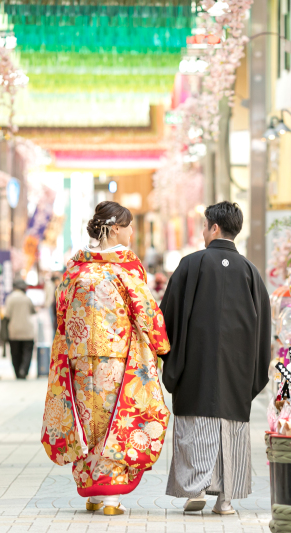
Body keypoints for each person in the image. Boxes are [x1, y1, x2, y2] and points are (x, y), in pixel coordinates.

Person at [41, 201, 171, 516]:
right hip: (116, 357)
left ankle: (92, 493)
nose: (131, 232)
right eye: (128, 226)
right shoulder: (125, 266)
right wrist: (160, 343)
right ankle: (111, 497)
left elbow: (62, 309)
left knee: (87, 420)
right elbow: (145, 308)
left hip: (80, 358)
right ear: (114, 229)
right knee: (115, 419)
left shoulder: (75, 267)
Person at [160, 201, 271, 515]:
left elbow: (166, 315)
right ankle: (226, 500)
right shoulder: (250, 272)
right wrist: (252, 372)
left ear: (215, 228)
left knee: (196, 427)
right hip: (237, 372)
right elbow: (263, 327)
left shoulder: (191, 264)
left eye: (205, 226)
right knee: (231, 430)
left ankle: (195, 490)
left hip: (195, 368)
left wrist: (169, 356)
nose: (203, 232)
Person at [4, 279, 36, 379]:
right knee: (27, 352)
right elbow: (33, 311)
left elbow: (7, 314)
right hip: (27, 330)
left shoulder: (10, 299)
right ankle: (24, 370)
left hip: (14, 330)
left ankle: (17, 372)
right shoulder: (27, 299)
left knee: (15, 353)